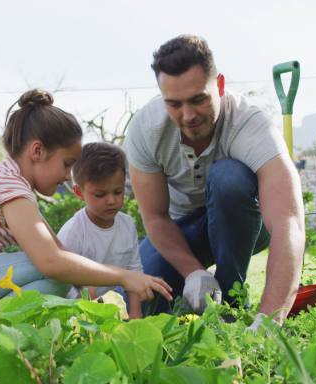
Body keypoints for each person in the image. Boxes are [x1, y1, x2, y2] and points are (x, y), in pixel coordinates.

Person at [0, 89, 172, 325]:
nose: (67, 176)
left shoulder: (13, 183)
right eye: (67, 164)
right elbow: (51, 260)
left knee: (56, 284)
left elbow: (60, 252)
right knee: (50, 268)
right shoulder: (8, 187)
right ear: (37, 151)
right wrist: (124, 276)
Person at [123, 35, 305, 326]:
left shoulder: (251, 125)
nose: (188, 115)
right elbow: (155, 218)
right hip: (181, 230)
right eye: (174, 104)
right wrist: (193, 272)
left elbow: (288, 222)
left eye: (198, 99)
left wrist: (272, 316)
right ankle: (203, 294)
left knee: (228, 177)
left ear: (219, 85)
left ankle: (232, 303)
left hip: (246, 222)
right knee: (143, 297)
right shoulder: (146, 130)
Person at [57, 142, 144, 319]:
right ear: (79, 192)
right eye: (100, 195)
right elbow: (59, 281)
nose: (111, 200)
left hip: (107, 309)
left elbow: (134, 273)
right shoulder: (73, 231)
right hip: (71, 310)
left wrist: (136, 313)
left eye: (118, 191)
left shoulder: (127, 225)